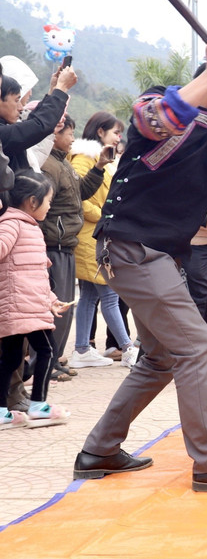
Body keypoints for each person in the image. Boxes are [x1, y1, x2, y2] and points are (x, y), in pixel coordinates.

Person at [74, 36, 207, 493]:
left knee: (162, 357)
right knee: (198, 347)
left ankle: (100, 449)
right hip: (134, 246)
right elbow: (154, 120)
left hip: (155, 253)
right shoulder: (163, 102)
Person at [0, 170, 72, 429]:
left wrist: (51, 300)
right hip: (22, 307)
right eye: (49, 200)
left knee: (9, 359)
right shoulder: (13, 224)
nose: (50, 205)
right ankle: (39, 406)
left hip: (26, 305)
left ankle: (1, 412)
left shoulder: (29, 227)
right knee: (47, 350)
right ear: (32, 201)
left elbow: (37, 272)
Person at [40, 115, 110, 374]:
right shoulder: (49, 165)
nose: (72, 139)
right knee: (57, 307)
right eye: (68, 133)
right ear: (54, 135)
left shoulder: (63, 164)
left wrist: (100, 167)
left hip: (66, 242)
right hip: (54, 243)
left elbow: (80, 192)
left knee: (66, 306)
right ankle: (46, 364)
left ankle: (54, 360)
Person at [69, 112, 138, 369]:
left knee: (89, 295)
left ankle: (82, 350)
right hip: (90, 234)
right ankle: (128, 348)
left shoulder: (103, 158)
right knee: (109, 295)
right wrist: (105, 217)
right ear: (100, 131)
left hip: (96, 233)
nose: (119, 137)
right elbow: (79, 197)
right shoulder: (84, 158)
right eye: (115, 132)